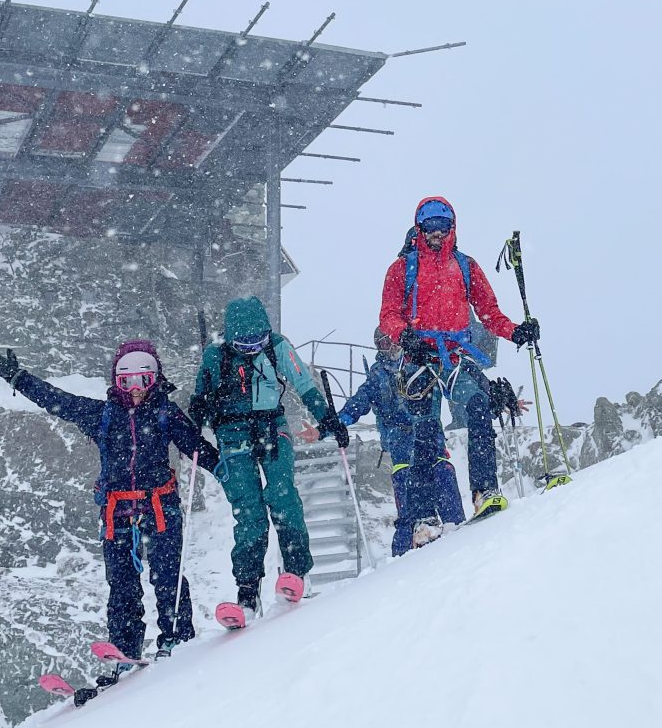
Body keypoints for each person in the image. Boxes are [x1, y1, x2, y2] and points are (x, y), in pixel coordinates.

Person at [0, 340, 220, 668]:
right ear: (116, 382)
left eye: (143, 382)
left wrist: (234, 474)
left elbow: (199, 450)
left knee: (169, 576)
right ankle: (125, 651)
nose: (135, 390)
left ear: (155, 380)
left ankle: (177, 639)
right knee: (121, 584)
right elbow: (57, 401)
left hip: (159, 507)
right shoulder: (103, 415)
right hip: (116, 512)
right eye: (127, 383)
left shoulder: (167, 413)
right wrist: (17, 378)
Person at [378, 196, 539, 514]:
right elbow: (388, 315)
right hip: (419, 360)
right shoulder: (402, 268)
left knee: (478, 406)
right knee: (425, 433)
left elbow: (489, 313)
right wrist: (407, 338)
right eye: (430, 227)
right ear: (419, 228)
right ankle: (424, 517)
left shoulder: (466, 266)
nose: (436, 233)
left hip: (454, 357)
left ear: (452, 228)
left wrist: (516, 332)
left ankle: (484, 490)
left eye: (442, 226)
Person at [186, 296, 346, 614]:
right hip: (232, 435)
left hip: (272, 426)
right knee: (249, 513)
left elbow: (305, 384)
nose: (251, 350)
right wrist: (199, 410)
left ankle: (295, 572)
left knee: (283, 497)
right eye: (244, 345)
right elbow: (199, 400)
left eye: (257, 343)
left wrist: (327, 418)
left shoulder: (278, 347)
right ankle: (247, 590)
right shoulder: (215, 356)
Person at [337, 330, 470, 553]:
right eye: (382, 344)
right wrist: (340, 421)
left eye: (391, 341)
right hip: (400, 441)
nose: (389, 348)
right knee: (407, 485)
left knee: (442, 474)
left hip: (429, 437)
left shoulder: (422, 362)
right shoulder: (378, 375)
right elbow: (359, 401)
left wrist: (487, 402)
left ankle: (454, 524)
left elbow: (455, 386)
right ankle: (406, 547)